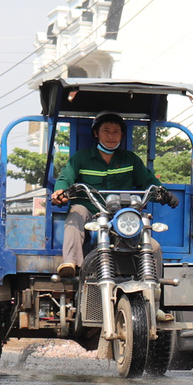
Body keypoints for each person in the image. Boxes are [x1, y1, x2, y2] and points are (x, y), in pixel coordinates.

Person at [51, 112, 154, 279]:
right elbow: (65, 178)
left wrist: (163, 193)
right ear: (96, 133)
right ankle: (70, 262)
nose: (111, 136)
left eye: (116, 131)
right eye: (106, 130)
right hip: (90, 212)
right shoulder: (81, 158)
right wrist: (60, 192)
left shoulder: (130, 160)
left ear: (122, 135)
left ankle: (153, 284)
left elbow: (149, 182)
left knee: (154, 246)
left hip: (121, 216)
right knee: (76, 211)